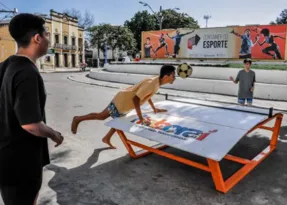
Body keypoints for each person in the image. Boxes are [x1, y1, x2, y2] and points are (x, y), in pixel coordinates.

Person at [0, 14, 64, 205]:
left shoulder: (5, 65)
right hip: (21, 162)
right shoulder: (27, 72)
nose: (49, 38)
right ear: (37, 38)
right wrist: (54, 134)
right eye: (47, 34)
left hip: (6, 157)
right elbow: (30, 124)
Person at [71, 65, 176, 148]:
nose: (174, 78)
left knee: (120, 121)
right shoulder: (152, 84)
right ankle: (78, 119)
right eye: (173, 75)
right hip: (122, 101)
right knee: (102, 116)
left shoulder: (157, 81)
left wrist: (154, 108)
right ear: (167, 76)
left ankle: (106, 138)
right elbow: (136, 99)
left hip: (126, 103)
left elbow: (146, 95)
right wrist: (140, 118)